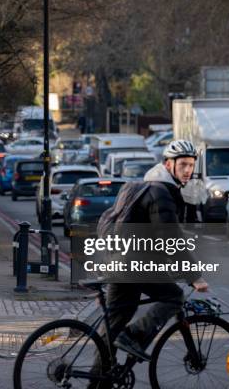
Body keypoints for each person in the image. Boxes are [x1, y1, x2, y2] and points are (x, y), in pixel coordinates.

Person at [88, 140, 209, 388]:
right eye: (183, 164)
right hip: (134, 265)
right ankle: (134, 335)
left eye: (191, 165)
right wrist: (193, 275)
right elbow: (169, 238)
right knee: (174, 297)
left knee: (114, 324)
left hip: (116, 262)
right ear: (168, 164)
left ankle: (98, 381)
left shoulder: (139, 186)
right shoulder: (161, 192)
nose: (188, 170)